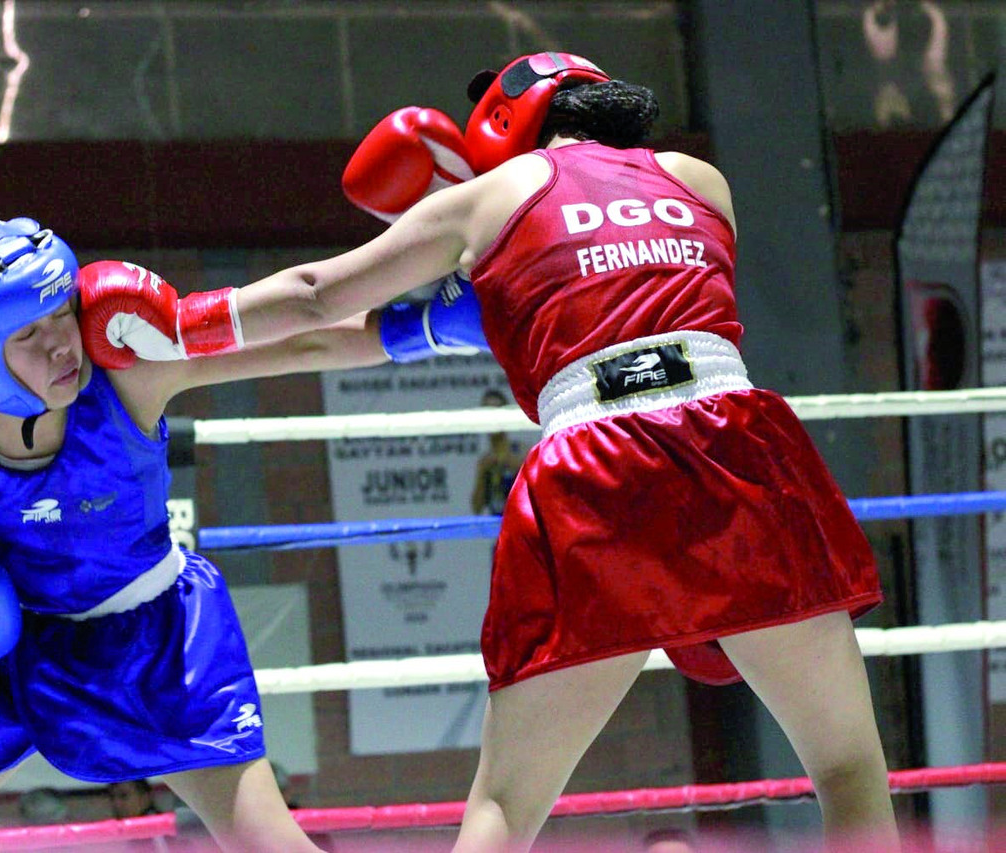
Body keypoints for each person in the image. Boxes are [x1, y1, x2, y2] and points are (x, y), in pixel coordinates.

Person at [81, 52, 901, 853]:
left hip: (599, 462)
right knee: (848, 766)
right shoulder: (701, 179)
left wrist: (180, 324)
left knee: (507, 802)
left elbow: (315, 296)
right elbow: (625, 280)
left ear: (507, 119)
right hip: (737, 444)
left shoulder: (490, 198)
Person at [0, 216, 486, 853]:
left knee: (268, 846)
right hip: (13, 642)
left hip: (154, 645)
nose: (62, 345)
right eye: (28, 334)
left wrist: (425, 327)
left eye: (62, 313)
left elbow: (300, 345)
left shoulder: (126, 379)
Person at [469, 388, 523, 516]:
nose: (492, 419)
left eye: (496, 412)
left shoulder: (521, 454)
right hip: (497, 527)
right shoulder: (485, 462)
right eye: (487, 413)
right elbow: (476, 508)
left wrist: (519, 468)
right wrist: (482, 473)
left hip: (521, 526)